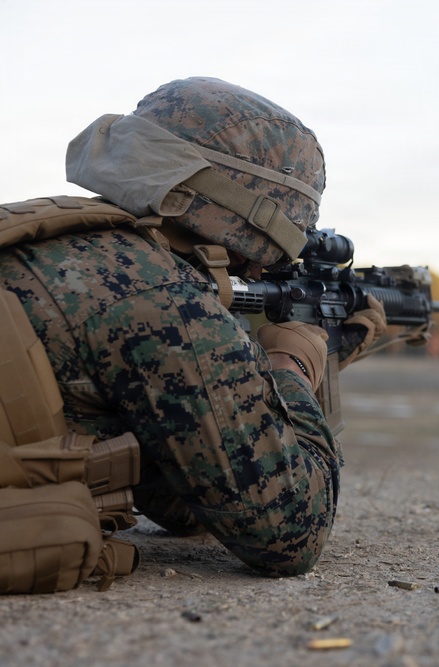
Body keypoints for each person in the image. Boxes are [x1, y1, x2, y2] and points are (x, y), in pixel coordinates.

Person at [0, 77, 384, 576]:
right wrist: (290, 366)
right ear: (254, 210)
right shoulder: (161, 297)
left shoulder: (60, 241)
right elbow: (289, 535)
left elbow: (186, 498)